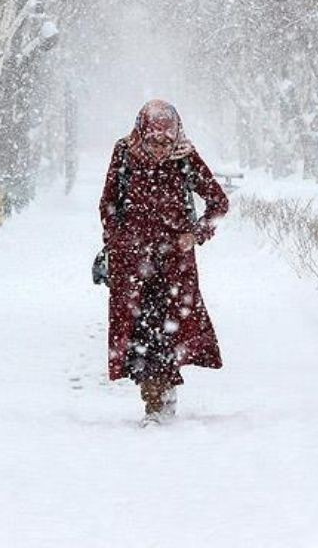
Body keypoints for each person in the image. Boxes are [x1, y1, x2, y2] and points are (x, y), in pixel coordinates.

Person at [99, 99, 229, 424]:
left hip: (175, 266)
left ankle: (161, 399)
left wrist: (195, 235)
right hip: (133, 264)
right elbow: (108, 203)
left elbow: (218, 203)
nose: (160, 148)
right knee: (140, 334)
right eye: (154, 140)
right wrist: (117, 241)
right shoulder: (124, 153)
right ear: (142, 132)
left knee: (168, 332)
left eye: (166, 141)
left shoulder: (185, 158)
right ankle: (153, 399)